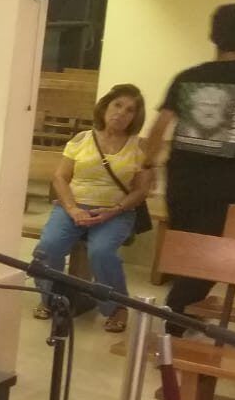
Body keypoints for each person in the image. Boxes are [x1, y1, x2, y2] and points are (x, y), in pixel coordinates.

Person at [141, 3, 235, 334]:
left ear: (212, 35)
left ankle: (182, 316)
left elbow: (160, 126)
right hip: (225, 184)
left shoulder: (188, 77)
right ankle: (174, 322)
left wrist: (148, 165)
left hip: (182, 182)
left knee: (190, 256)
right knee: (209, 261)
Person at [32, 84, 152, 332]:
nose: (121, 113)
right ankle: (50, 298)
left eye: (130, 110)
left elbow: (141, 191)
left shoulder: (140, 147)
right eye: (117, 105)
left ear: (135, 117)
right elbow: (60, 177)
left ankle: (117, 307)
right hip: (73, 207)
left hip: (116, 212)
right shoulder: (81, 139)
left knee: (101, 251)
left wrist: (114, 210)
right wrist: (72, 208)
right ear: (105, 106)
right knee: (49, 246)